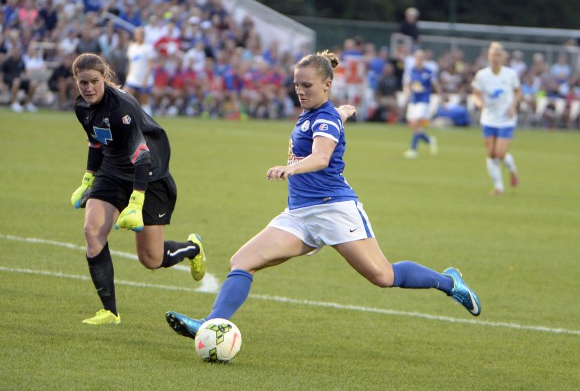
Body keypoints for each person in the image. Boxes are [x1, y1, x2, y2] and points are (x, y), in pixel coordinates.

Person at [165, 50, 481, 340]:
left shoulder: (324, 117)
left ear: (326, 85)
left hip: (334, 210)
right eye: (296, 85)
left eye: (307, 86)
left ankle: (450, 282)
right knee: (242, 261)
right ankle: (209, 326)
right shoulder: (322, 113)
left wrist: (291, 168)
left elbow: (321, 156)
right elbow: (329, 121)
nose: (300, 91)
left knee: (383, 276)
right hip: (299, 214)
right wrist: (342, 112)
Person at [70, 53, 207, 325]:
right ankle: (110, 311)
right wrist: (87, 180)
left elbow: (142, 156)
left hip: (150, 177)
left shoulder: (122, 107)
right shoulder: (82, 107)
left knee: (151, 259)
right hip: (111, 173)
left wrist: (135, 202)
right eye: (82, 82)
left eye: (94, 81)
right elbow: (96, 142)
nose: (88, 88)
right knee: (92, 230)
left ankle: (193, 249)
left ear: (105, 78)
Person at [471, 42, 521, 195]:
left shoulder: (510, 74)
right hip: (488, 118)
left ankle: (512, 168)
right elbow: (476, 94)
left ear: (503, 57)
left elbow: (518, 92)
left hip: (506, 119)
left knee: (500, 153)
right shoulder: (482, 75)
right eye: (492, 55)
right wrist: (479, 103)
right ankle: (499, 187)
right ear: (488, 56)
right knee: (491, 154)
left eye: (498, 55)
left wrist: (512, 106)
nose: (495, 58)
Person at [402, 49, 442, 158]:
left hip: (424, 100)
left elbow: (435, 85)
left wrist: (441, 98)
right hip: (414, 100)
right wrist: (406, 91)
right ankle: (429, 140)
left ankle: (413, 150)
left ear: (423, 60)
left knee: (416, 123)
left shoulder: (428, 72)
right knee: (413, 125)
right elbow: (407, 83)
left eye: (420, 58)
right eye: (417, 58)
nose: (418, 60)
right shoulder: (412, 70)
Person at [124, 26, 156, 115]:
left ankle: (148, 120)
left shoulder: (148, 48)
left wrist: (145, 79)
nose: (139, 36)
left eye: (141, 34)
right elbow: (130, 63)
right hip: (133, 78)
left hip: (143, 79)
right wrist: (128, 75)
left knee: (144, 101)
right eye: (137, 34)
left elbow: (150, 65)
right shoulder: (132, 47)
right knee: (125, 97)